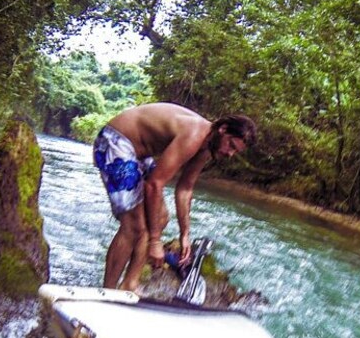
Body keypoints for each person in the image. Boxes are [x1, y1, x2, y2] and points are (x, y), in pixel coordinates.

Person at [93, 102, 256, 291]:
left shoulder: (207, 146)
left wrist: (185, 234)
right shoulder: (194, 133)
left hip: (138, 154)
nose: (230, 153)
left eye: (236, 151)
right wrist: (155, 241)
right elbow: (154, 185)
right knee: (133, 226)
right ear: (223, 129)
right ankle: (107, 291)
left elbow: (185, 188)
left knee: (160, 218)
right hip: (116, 141)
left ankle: (130, 284)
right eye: (231, 145)